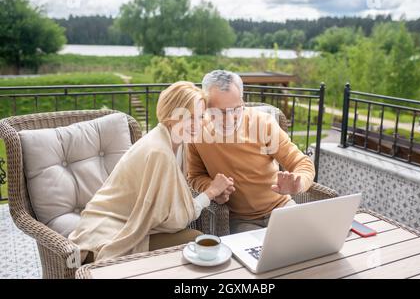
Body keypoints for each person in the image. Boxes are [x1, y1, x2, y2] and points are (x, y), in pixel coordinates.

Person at [69, 81, 233, 263]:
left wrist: (212, 194)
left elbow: (173, 200)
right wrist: (210, 192)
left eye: (201, 117)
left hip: (109, 223)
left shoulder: (176, 142)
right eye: (189, 117)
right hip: (108, 231)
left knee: (195, 239)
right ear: (172, 115)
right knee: (194, 240)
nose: (197, 124)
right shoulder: (159, 151)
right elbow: (174, 221)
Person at [187, 70, 316, 234]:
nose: (229, 119)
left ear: (242, 101)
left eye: (235, 109)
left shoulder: (263, 124)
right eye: (219, 112)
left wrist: (298, 184)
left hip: (281, 207)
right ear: (205, 107)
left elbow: (302, 163)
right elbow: (195, 176)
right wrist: (212, 188)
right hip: (241, 220)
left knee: (309, 246)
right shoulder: (196, 132)